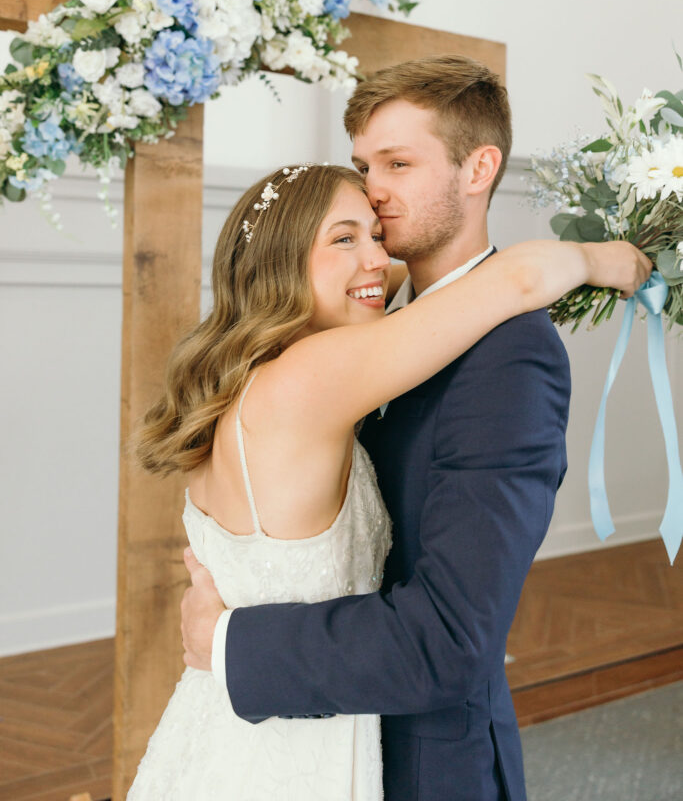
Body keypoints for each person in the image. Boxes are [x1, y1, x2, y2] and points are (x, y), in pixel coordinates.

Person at [129, 62, 650, 799]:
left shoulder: (502, 353)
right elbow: (507, 280)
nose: (375, 191)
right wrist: (601, 259)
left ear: (479, 168)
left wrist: (226, 640)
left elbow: (451, 636)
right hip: (301, 740)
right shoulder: (347, 348)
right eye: (363, 167)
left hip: (413, 751)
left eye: (397, 165)